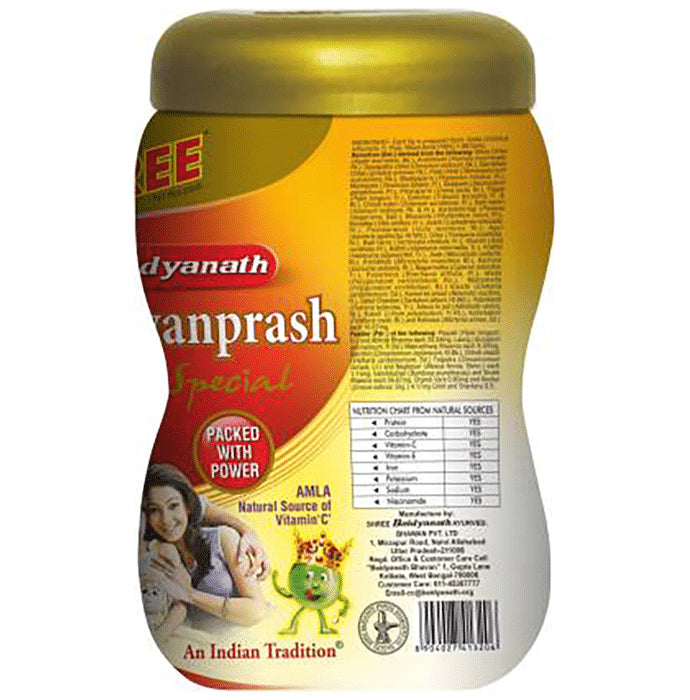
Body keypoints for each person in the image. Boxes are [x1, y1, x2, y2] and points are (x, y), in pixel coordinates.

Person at [140, 464, 269, 638]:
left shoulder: (223, 539)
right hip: (206, 647)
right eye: (154, 510)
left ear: (188, 506)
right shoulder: (155, 557)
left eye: (173, 506)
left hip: (256, 640)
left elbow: (257, 611)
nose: (166, 519)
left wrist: (191, 595)